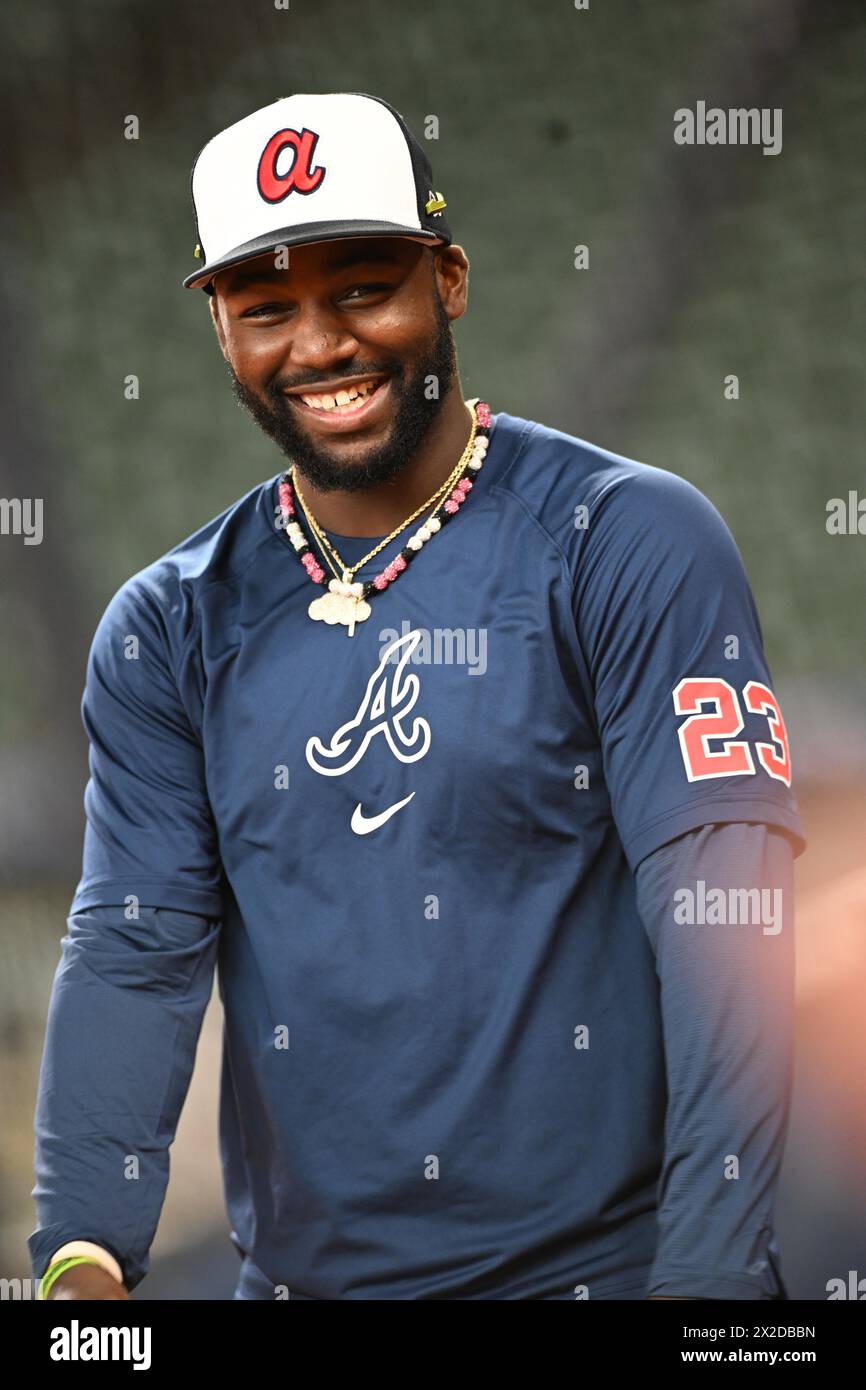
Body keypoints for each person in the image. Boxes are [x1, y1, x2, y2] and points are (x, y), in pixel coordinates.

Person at [30, 91, 805, 1302]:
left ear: (446, 278)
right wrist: (79, 1262)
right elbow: (136, 951)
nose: (319, 343)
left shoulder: (624, 539)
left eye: (360, 286)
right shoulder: (168, 622)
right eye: (265, 306)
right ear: (220, 330)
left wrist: (708, 1287)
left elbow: (725, 917)